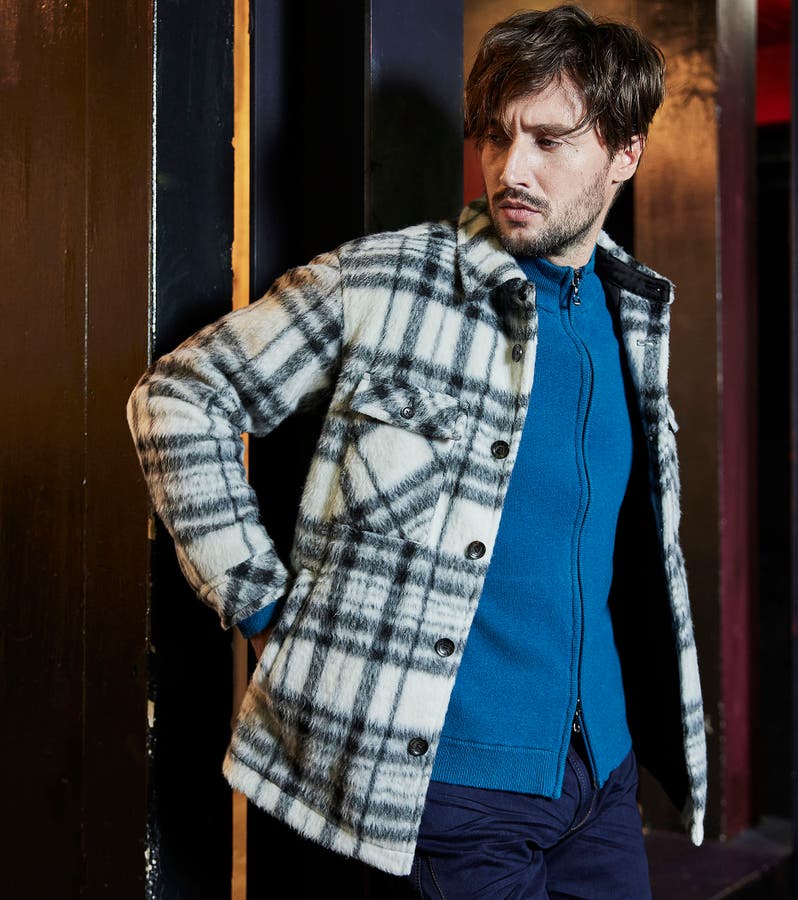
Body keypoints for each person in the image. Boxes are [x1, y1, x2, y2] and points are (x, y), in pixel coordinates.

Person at [127, 4, 707, 896]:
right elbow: (178, 397)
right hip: (461, 789)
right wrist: (259, 604)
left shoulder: (633, 313)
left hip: (602, 779)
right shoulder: (387, 282)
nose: (512, 168)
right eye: (497, 135)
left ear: (625, 153)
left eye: (550, 140)